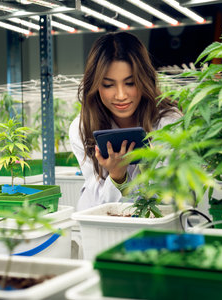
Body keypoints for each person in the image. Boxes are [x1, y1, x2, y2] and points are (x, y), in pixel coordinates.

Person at [69, 31, 182, 211]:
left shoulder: (168, 123)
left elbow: (177, 198)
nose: (121, 95)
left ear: (144, 80)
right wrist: (116, 176)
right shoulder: (82, 127)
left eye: (130, 83)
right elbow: (99, 203)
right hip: (102, 226)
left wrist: (152, 164)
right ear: (95, 85)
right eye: (108, 85)